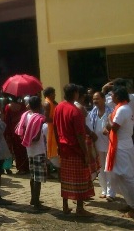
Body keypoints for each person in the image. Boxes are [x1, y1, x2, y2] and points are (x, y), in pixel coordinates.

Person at [53, 83, 94, 217]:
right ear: (75, 94)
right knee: (81, 179)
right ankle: (80, 208)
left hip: (64, 149)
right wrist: (85, 153)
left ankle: (65, 206)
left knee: (65, 179)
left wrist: (58, 145)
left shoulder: (58, 107)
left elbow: (54, 128)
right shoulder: (75, 111)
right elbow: (80, 135)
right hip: (75, 149)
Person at [105, 86, 134, 219]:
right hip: (122, 146)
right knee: (118, 176)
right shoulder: (123, 108)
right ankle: (130, 203)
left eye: (113, 95)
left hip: (122, 147)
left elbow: (114, 127)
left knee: (126, 177)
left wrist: (108, 123)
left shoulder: (122, 109)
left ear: (118, 96)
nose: (111, 97)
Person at [16, 95, 47, 212]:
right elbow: (37, 136)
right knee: (38, 178)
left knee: (32, 176)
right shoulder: (39, 118)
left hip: (29, 150)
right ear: (39, 105)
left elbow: (20, 130)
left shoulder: (25, 115)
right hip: (38, 150)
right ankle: (37, 202)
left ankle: (33, 198)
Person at [87, 91, 115, 200]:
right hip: (97, 145)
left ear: (104, 99)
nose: (95, 101)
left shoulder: (111, 112)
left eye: (97, 98)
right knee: (101, 168)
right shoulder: (92, 113)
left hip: (109, 144)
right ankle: (104, 190)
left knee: (109, 168)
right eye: (94, 99)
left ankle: (111, 193)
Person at [4, 95, 29, 174]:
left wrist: (7, 134)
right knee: (23, 150)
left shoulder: (8, 107)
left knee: (16, 150)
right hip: (22, 130)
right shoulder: (22, 106)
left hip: (12, 131)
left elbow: (7, 121)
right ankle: (25, 167)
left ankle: (21, 168)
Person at [42, 87, 58, 169]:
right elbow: (46, 118)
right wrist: (58, 119)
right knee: (51, 148)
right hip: (49, 128)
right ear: (49, 94)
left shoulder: (52, 102)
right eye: (53, 93)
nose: (55, 95)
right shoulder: (47, 104)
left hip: (54, 127)